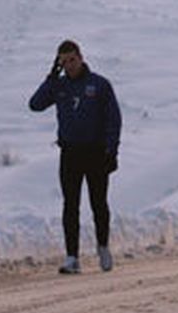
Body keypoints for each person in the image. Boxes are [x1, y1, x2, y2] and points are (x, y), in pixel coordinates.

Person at [29, 39, 123, 275]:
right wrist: (51, 77)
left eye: (72, 59)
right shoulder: (58, 86)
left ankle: (103, 247)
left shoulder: (99, 85)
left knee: (98, 203)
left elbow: (114, 119)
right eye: (64, 62)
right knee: (70, 205)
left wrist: (112, 150)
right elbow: (35, 105)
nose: (69, 65)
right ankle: (72, 257)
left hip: (96, 152)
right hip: (70, 153)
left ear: (81, 57)